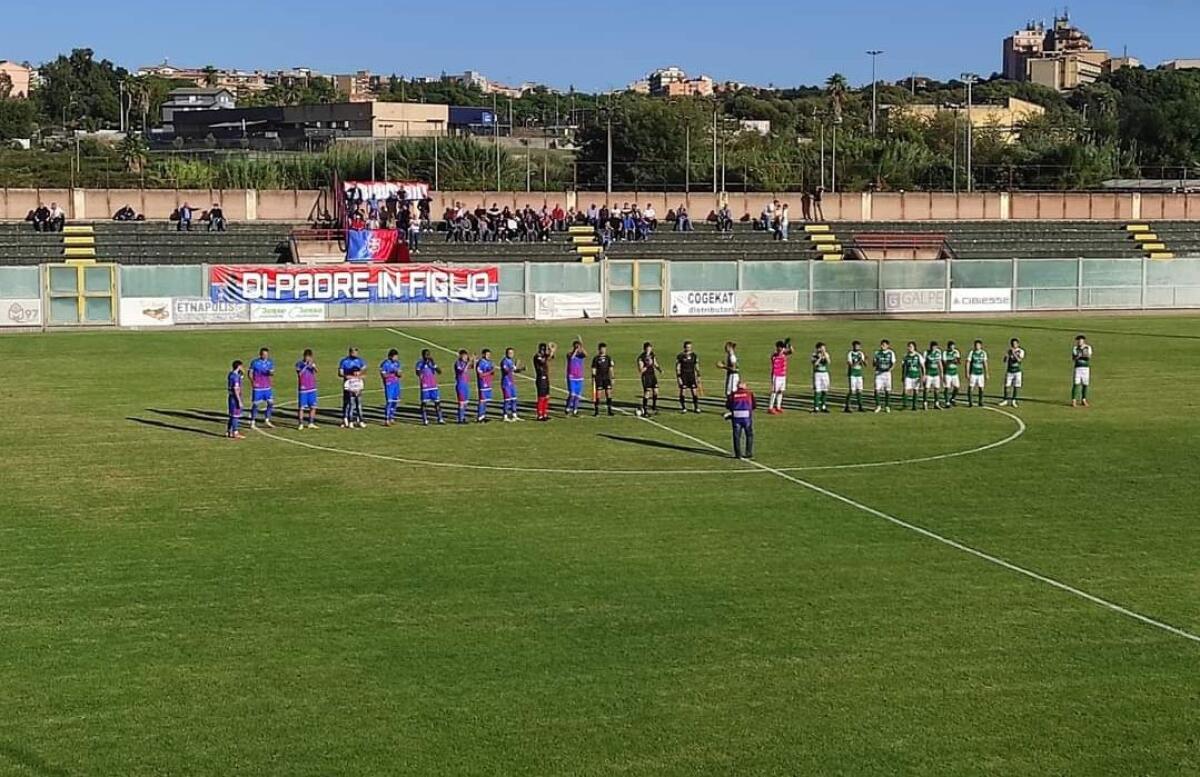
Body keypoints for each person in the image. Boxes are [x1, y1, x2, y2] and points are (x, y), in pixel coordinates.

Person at [415, 349, 446, 425]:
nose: (427, 356)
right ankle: (425, 420)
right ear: (422, 355)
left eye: (428, 354)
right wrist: (423, 365)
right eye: (426, 355)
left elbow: (439, 372)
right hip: (425, 386)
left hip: (433, 386)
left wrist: (434, 364)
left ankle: (440, 419)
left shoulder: (431, 363)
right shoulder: (419, 363)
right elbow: (418, 373)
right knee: (424, 404)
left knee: (437, 403)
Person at [338, 347, 367, 429]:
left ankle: (359, 420)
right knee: (347, 403)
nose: (356, 354)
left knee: (358, 404)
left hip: (357, 384)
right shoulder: (344, 361)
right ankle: (345, 419)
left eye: (356, 353)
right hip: (349, 385)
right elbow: (340, 373)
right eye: (354, 353)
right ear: (350, 352)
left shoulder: (359, 360)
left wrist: (359, 375)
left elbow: (364, 368)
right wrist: (347, 376)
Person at [248, 347, 275, 429]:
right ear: (260, 354)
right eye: (264, 354)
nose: (265, 356)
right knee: (256, 404)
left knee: (270, 403)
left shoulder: (270, 362)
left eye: (266, 354)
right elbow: (250, 373)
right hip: (258, 387)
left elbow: (271, 374)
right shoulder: (255, 362)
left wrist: (270, 374)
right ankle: (252, 421)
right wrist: (253, 382)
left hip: (267, 387)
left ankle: (267, 419)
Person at [729, 381, 757, 460]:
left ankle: (738, 454)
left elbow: (728, 405)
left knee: (737, 436)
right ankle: (748, 452)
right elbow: (754, 405)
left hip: (736, 416)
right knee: (749, 435)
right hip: (746, 417)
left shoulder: (733, 394)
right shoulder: (749, 394)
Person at [767, 339, 794, 415]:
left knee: (781, 391)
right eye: (780, 347)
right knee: (774, 391)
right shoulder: (775, 354)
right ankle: (770, 407)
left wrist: (789, 345)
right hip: (776, 375)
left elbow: (791, 351)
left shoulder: (784, 353)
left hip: (783, 375)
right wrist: (783, 349)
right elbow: (777, 354)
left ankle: (778, 407)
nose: (781, 348)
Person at [636, 342, 662, 416]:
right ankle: (645, 409)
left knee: (656, 391)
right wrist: (647, 365)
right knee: (647, 392)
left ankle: (654, 407)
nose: (649, 350)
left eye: (650, 348)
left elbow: (655, 363)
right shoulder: (641, 358)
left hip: (652, 375)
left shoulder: (652, 355)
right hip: (646, 376)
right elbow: (641, 370)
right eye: (647, 348)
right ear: (644, 349)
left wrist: (659, 369)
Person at [533, 342, 557, 421]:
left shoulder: (543, 355)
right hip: (540, 378)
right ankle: (540, 415)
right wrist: (551, 352)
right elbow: (543, 361)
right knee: (541, 397)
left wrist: (552, 351)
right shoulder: (537, 356)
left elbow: (551, 357)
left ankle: (544, 413)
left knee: (547, 397)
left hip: (546, 378)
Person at [676, 341, 701, 414]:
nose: (689, 348)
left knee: (694, 392)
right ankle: (683, 408)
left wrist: (698, 375)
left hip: (691, 375)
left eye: (690, 347)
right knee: (683, 392)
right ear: (684, 347)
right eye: (687, 347)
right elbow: (677, 367)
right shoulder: (680, 356)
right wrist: (679, 377)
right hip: (684, 375)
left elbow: (696, 366)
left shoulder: (694, 356)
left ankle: (696, 407)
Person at [296, 349, 319, 429]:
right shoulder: (299, 364)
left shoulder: (312, 364)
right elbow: (299, 374)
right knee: (301, 407)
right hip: (303, 388)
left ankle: (311, 422)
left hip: (312, 388)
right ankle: (301, 423)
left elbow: (316, 371)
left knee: (313, 406)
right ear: (304, 356)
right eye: (307, 357)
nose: (308, 358)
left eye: (309, 357)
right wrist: (306, 366)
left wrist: (313, 367)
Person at [591, 342, 616, 417]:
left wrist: (612, 377)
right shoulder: (596, 358)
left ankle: (609, 410)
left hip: (606, 378)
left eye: (604, 349)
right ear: (599, 349)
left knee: (608, 393)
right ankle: (596, 411)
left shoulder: (608, 358)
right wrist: (593, 378)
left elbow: (611, 368)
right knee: (598, 394)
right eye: (602, 349)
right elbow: (594, 369)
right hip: (599, 378)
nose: (603, 350)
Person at [380, 349, 403, 427]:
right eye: (395, 356)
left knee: (395, 401)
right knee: (389, 402)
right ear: (390, 356)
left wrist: (398, 373)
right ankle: (386, 419)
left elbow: (400, 375)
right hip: (389, 384)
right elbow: (383, 375)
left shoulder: (397, 363)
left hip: (396, 384)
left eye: (397, 356)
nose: (396, 358)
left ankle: (392, 417)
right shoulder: (385, 364)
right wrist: (392, 372)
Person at [873, 339, 896, 413]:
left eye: (884, 345)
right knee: (876, 390)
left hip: (887, 374)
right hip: (879, 373)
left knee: (887, 390)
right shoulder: (877, 353)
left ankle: (887, 406)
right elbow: (874, 364)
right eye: (882, 345)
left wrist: (890, 369)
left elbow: (893, 363)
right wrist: (875, 363)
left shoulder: (891, 353)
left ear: (888, 346)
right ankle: (878, 405)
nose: (883, 346)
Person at [564, 341, 587, 417]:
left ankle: (575, 410)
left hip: (579, 377)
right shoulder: (569, 354)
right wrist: (575, 350)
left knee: (577, 395)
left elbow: (586, 354)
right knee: (572, 394)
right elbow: (571, 358)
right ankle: (567, 408)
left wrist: (582, 348)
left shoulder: (581, 355)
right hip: (572, 377)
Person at [1000, 338, 1025, 407]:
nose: (1014, 345)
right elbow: (1005, 361)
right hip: (1009, 371)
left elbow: (1019, 360)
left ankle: (1014, 400)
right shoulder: (1009, 351)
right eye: (1013, 344)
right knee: (1007, 385)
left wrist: (1013, 353)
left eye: (1015, 344)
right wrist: (1006, 356)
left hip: (1017, 371)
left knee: (1016, 386)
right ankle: (1005, 400)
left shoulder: (1021, 351)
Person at [500, 347, 523, 422]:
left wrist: (521, 369)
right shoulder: (504, 361)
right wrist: (515, 367)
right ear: (506, 353)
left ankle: (514, 415)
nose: (511, 354)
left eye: (512, 353)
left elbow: (514, 371)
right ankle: (505, 416)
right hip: (506, 383)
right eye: (510, 353)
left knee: (514, 399)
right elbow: (506, 371)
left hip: (512, 383)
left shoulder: (510, 361)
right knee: (507, 400)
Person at [901, 341, 925, 411]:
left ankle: (914, 405)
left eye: (911, 346)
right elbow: (904, 367)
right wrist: (903, 376)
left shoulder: (918, 356)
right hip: (908, 376)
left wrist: (923, 375)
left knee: (915, 390)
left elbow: (922, 366)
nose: (909, 348)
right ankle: (905, 405)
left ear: (914, 347)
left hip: (916, 376)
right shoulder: (905, 356)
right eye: (908, 346)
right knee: (905, 390)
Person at [844, 340, 867, 413]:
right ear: (853, 346)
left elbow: (865, 365)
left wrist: (865, 361)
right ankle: (847, 406)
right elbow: (851, 365)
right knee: (852, 391)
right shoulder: (850, 354)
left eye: (858, 346)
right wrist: (859, 361)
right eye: (856, 346)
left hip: (859, 374)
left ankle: (860, 406)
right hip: (852, 374)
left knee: (859, 390)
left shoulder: (861, 353)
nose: (857, 347)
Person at [1071, 334, 1093, 408]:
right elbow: (1074, 358)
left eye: (1081, 340)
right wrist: (1079, 356)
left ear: (1083, 341)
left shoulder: (1088, 347)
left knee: (1085, 384)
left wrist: (1081, 355)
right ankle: (1074, 400)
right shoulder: (1075, 348)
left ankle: (1083, 399)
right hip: (1078, 368)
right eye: (1078, 341)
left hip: (1086, 368)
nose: (1079, 342)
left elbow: (1088, 356)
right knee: (1076, 383)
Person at [966, 340, 989, 408]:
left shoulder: (983, 353)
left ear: (981, 346)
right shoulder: (972, 352)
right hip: (973, 373)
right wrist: (967, 373)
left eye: (978, 345)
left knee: (981, 387)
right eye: (976, 345)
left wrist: (986, 373)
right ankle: (970, 402)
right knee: (971, 387)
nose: (977, 346)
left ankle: (980, 401)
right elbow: (968, 362)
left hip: (980, 373)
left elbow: (985, 363)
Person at [454, 349, 474, 424]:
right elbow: (462, 371)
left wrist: (473, 360)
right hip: (460, 385)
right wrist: (469, 362)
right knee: (461, 403)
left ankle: (463, 416)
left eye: (466, 356)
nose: (465, 357)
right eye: (464, 356)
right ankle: (460, 419)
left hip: (466, 384)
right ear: (460, 356)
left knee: (466, 402)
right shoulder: (458, 363)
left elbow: (472, 367)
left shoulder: (465, 363)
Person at [810, 342, 831, 413]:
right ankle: (816, 407)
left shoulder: (826, 354)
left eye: (824, 348)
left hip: (825, 374)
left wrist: (825, 355)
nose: (823, 349)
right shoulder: (814, 355)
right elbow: (815, 364)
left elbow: (828, 362)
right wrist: (820, 358)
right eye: (822, 348)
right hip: (817, 374)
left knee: (825, 390)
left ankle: (823, 406)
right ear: (818, 348)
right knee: (817, 390)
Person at [226, 360, 245, 439]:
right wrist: (239, 401)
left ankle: (228, 431)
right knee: (235, 416)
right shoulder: (235, 377)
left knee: (231, 416)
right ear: (239, 366)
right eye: (241, 366)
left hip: (231, 397)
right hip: (235, 398)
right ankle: (235, 432)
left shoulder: (231, 374)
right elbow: (236, 389)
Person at [475, 348, 496, 422]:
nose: (488, 356)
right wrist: (491, 371)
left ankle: (483, 416)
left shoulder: (490, 362)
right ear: (483, 355)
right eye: (487, 354)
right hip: (482, 384)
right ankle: (480, 417)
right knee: (482, 400)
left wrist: (493, 370)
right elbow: (480, 375)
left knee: (486, 400)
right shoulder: (481, 363)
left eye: (489, 355)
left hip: (488, 383)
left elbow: (492, 373)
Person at [923, 340, 944, 410]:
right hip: (929, 373)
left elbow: (939, 363)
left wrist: (941, 373)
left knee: (937, 389)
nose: (933, 348)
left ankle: (936, 403)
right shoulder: (926, 353)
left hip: (936, 373)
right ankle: (925, 403)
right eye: (932, 347)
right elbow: (923, 364)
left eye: (935, 347)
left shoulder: (938, 352)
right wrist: (924, 374)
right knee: (927, 389)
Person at [943, 340, 962, 407]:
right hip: (947, 373)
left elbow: (959, 361)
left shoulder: (956, 352)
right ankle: (947, 401)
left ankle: (953, 398)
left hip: (954, 373)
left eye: (953, 346)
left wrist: (956, 361)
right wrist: (952, 361)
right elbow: (945, 363)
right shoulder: (945, 353)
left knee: (957, 387)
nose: (952, 347)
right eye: (951, 346)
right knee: (947, 387)